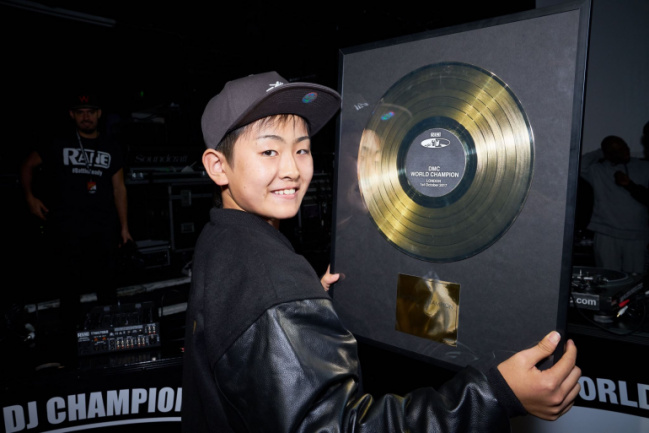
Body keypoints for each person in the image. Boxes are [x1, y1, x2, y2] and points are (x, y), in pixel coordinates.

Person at [182, 71, 581, 432]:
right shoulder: (276, 277)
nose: (291, 169)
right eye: (269, 152)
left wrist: (303, 312)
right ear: (218, 166)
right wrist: (495, 395)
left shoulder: (222, 239)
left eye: (302, 150)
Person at [20, 93, 133, 360]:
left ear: (99, 114)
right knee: (69, 293)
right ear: (72, 115)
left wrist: (124, 227)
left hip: (103, 227)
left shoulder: (110, 146)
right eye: (80, 112)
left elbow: (119, 188)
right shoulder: (59, 142)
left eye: (91, 111)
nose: (86, 117)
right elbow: (27, 166)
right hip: (67, 228)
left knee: (107, 289)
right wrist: (30, 198)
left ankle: (108, 343)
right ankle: (69, 352)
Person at [580, 135, 649, 275]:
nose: (624, 151)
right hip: (606, 233)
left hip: (637, 234)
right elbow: (579, 164)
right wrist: (602, 152)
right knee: (608, 277)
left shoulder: (644, 166)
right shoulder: (597, 170)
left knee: (636, 279)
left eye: (625, 147)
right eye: (617, 150)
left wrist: (629, 185)